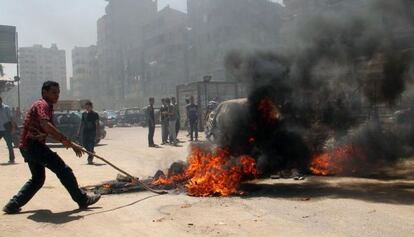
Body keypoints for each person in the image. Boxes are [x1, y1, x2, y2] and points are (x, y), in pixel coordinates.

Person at [3, 81, 100, 214]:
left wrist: (70, 144)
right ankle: (82, 200)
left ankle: (13, 204)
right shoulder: (42, 105)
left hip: (27, 147)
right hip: (33, 146)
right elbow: (45, 125)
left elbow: (48, 130)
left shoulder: (46, 107)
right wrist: (65, 140)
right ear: (44, 92)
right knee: (64, 170)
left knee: (37, 179)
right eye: (54, 92)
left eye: (58, 92)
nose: (57, 95)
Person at [0, 97, 15, 163]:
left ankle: (12, 159)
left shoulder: (6, 108)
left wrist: (13, 128)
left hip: (6, 129)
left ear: (0, 101)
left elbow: (11, 118)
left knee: (9, 145)